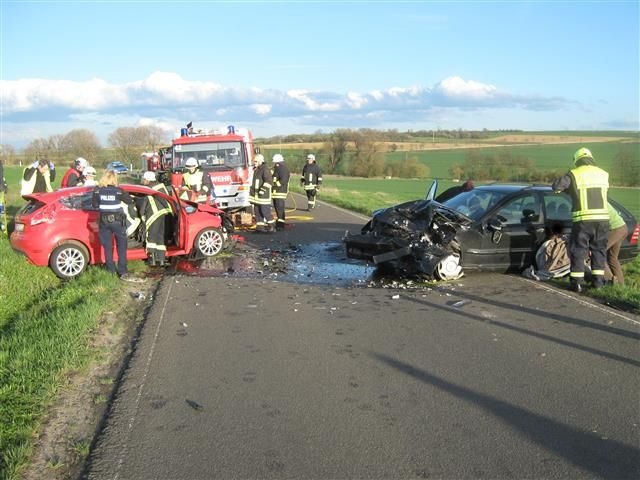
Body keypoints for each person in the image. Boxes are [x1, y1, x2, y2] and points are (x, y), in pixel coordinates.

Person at [551, 147, 609, 292]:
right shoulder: (603, 174)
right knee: (599, 250)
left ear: (577, 160)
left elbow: (556, 186)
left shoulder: (574, 174)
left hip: (583, 220)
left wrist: (567, 189)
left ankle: (576, 282)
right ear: (591, 158)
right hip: (602, 219)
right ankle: (598, 282)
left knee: (578, 250)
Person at [92, 169, 135, 279]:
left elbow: (95, 205)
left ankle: (110, 270)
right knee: (121, 246)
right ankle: (122, 271)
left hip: (104, 222)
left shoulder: (97, 191)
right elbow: (130, 201)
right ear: (114, 179)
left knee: (107, 246)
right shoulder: (119, 191)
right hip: (117, 222)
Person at [138, 171, 173, 266]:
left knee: (151, 238)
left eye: (144, 179)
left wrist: (141, 215)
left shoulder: (148, 189)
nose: (143, 181)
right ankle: (161, 260)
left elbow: (143, 206)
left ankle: (152, 260)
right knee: (161, 237)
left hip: (154, 216)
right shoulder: (161, 187)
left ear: (148, 180)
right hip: (166, 214)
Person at [249, 154, 275, 233]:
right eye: (254, 161)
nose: (254, 162)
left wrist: (262, 190)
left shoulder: (265, 169)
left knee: (265, 211)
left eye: (256, 161)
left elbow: (269, 181)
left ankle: (272, 227)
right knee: (257, 212)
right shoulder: (257, 169)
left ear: (261, 161)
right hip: (256, 196)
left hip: (263, 196)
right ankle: (260, 227)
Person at [604, 202, 628, 285]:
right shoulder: (598, 196)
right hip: (622, 227)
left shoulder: (592, 202)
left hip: (614, 229)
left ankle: (611, 282)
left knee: (597, 254)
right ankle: (621, 286)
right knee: (612, 258)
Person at [271, 153, 290, 230]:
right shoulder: (277, 168)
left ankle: (281, 224)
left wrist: (274, 184)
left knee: (280, 208)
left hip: (280, 192)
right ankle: (279, 222)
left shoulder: (283, 169)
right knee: (277, 208)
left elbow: (283, 181)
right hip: (275, 192)